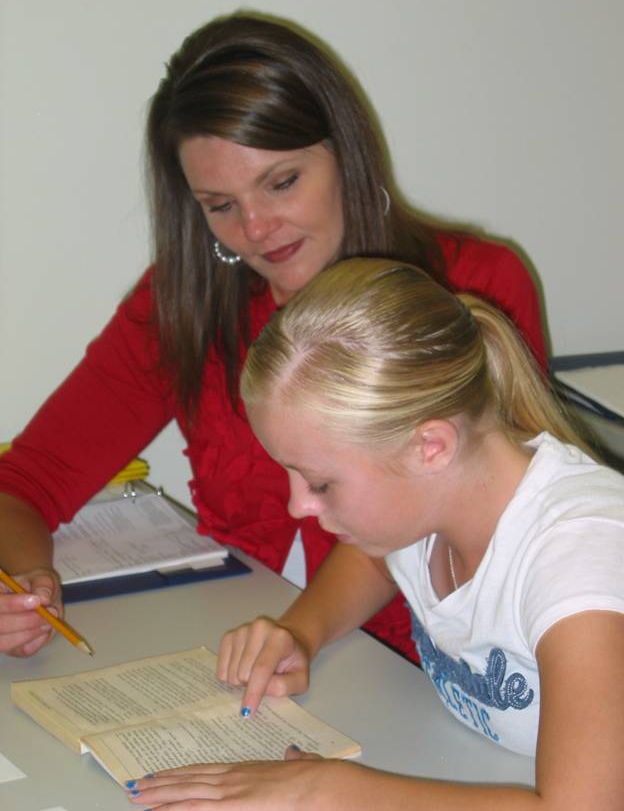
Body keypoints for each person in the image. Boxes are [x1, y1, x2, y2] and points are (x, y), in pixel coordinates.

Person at [0, 13, 547, 661]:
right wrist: (23, 588)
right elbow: (29, 480)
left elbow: (423, 523)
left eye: (281, 182)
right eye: (220, 205)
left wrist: (297, 634)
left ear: (345, 152)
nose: (257, 227)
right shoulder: (183, 303)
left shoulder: (472, 286)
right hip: (254, 647)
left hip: (427, 672)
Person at [125, 258, 624, 811]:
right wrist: (302, 631)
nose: (298, 505)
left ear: (429, 447)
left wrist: (328, 792)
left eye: (320, 483)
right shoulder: (432, 500)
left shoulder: (582, 556)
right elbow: (375, 560)